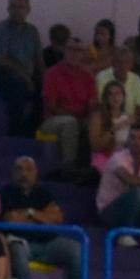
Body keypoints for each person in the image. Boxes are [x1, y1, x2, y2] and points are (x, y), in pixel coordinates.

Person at [0, 155, 87, 279]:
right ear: (13, 173)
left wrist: (29, 214)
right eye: (19, 170)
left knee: (77, 250)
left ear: (35, 173)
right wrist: (42, 216)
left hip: (49, 243)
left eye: (28, 170)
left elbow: (57, 218)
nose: (24, 174)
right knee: (16, 250)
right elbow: (11, 219)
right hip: (21, 242)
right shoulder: (6, 193)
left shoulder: (44, 193)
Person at [0, 0, 43, 137]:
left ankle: (29, 132)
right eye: (13, 6)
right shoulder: (0, 30)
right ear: (8, 9)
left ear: (28, 9)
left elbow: (38, 60)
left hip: (25, 78)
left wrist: (47, 81)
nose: (17, 10)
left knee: (45, 93)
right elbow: (1, 61)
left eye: (21, 6)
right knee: (18, 86)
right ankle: (14, 133)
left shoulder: (33, 32)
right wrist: (25, 78)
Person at [40, 36, 98, 177]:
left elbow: (92, 106)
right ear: (65, 51)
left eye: (79, 50)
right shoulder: (52, 73)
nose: (74, 53)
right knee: (70, 123)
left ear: (83, 54)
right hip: (52, 121)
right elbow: (51, 105)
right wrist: (76, 119)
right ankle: (67, 167)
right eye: (71, 49)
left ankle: (94, 168)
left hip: (80, 119)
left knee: (95, 123)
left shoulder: (88, 77)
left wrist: (91, 120)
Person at [96, 45, 140, 124]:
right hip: (107, 122)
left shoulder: (136, 79)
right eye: (119, 61)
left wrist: (129, 121)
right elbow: (100, 106)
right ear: (113, 62)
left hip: (130, 122)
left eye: (126, 61)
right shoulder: (101, 77)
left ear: (132, 64)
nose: (122, 65)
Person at [89, 80, 132, 173]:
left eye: (118, 94)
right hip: (105, 157)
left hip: (125, 157)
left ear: (123, 97)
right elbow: (95, 146)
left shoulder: (129, 118)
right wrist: (114, 129)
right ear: (106, 98)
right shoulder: (98, 117)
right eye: (111, 94)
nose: (115, 97)